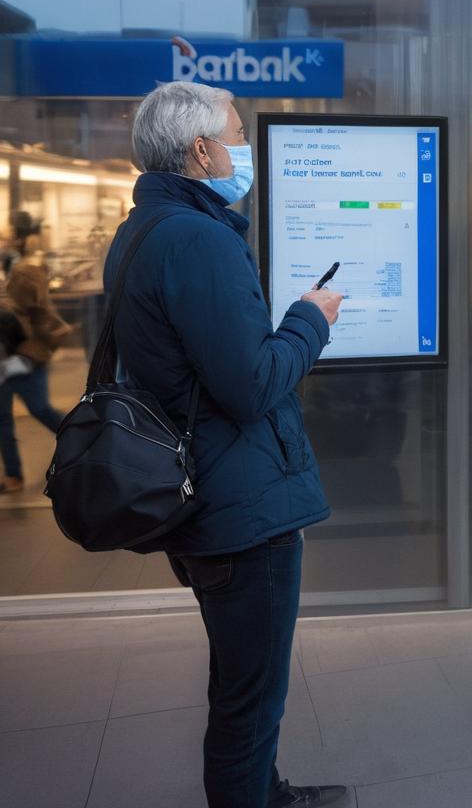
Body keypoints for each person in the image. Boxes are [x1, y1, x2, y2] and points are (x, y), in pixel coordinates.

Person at [106, 81, 347, 808]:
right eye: (236, 135)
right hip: (241, 508)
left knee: (241, 677)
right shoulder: (199, 240)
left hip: (207, 493)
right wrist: (311, 318)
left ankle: (265, 793)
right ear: (202, 150)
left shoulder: (144, 230)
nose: (243, 149)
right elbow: (251, 384)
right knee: (250, 698)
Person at [0, 237, 71, 496]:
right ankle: (13, 476)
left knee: (41, 409)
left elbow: (45, 320)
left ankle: (86, 445)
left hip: (25, 361)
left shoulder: (22, 277)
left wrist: (28, 351)